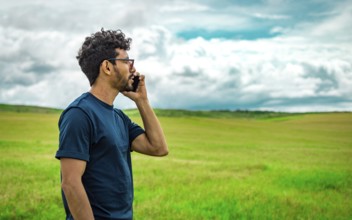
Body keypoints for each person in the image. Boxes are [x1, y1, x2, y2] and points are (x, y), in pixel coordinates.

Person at [55, 28, 168, 220]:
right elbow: (70, 183)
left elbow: (158, 148)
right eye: (127, 61)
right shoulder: (79, 114)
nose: (133, 68)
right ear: (107, 67)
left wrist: (142, 101)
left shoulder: (119, 117)